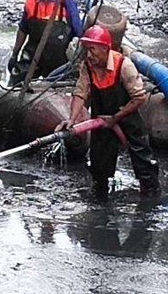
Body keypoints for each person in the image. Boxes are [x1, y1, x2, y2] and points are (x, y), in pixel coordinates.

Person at [56, 25, 159, 198]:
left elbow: (139, 98)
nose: (89, 55)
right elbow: (80, 93)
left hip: (127, 116)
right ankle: (100, 195)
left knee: (142, 158)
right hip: (101, 120)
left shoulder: (124, 65)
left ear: (105, 48)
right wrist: (72, 120)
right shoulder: (87, 67)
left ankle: (150, 194)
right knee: (99, 164)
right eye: (87, 50)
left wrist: (116, 117)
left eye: (92, 50)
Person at [8, 0, 84, 85]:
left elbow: (79, 33)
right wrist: (15, 53)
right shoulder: (31, 2)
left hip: (58, 60)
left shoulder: (66, 2)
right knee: (15, 85)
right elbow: (23, 29)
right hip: (33, 56)